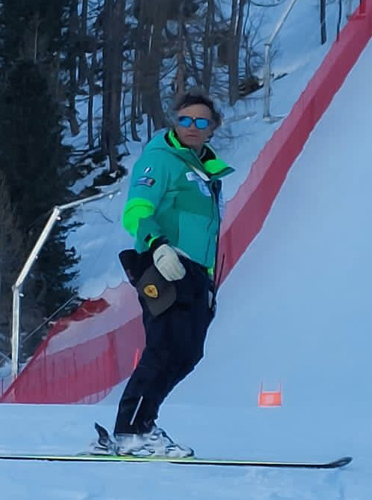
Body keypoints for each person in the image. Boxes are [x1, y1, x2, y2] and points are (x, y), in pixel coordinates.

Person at [90, 90, 234, 457]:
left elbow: (208, 233)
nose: (192, 127)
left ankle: (143, 423)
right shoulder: (161, 160)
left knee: (188, 353)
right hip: (166, 262)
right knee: (165, 347)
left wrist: (210, 282)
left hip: (196, 273)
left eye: (202, 122)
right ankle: (131, 430)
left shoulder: (208, 173)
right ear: (174, 121)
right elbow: (137, 209)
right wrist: (157, 244)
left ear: (213, 128)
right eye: (185, 120)